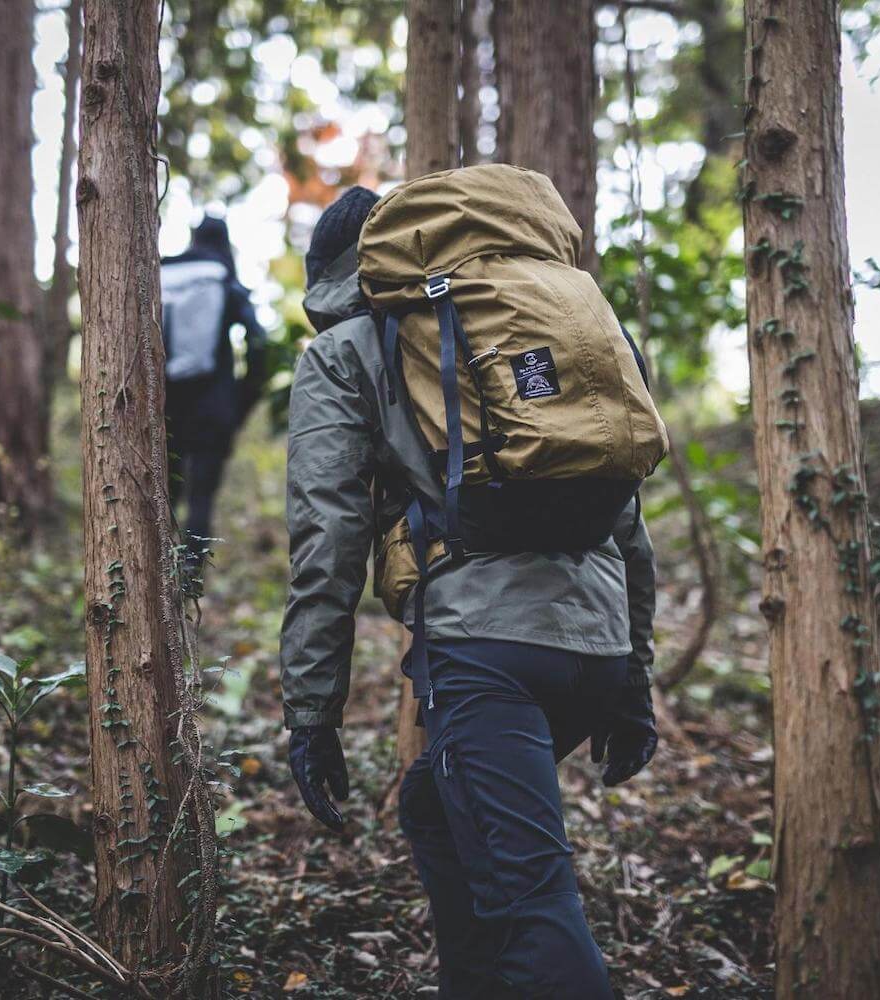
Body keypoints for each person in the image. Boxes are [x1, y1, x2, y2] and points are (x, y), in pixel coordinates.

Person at [280, 183, 661, 999]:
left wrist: (312, 712)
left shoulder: (344, 352)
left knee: (533, 902)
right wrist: (632, 683)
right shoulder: (527, 321)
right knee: (435, 815)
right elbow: (626, 518)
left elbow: (328, 544)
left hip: (489, 656)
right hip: (595, 649)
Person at [160, 214, 269, 568]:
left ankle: (156, 571)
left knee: (164, 493)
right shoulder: (225, 279)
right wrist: (244, 398)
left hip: (162, 404)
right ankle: (190, 579)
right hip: (213, 404)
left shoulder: (163, 273)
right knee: (201, 495)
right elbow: (258, 342)